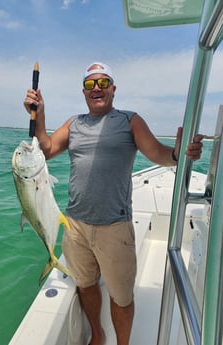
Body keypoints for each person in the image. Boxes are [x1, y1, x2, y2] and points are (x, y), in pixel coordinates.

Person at [24, 62, 203, 345]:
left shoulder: (130, 121)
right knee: (85, 285)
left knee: (121, 296)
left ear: (113, 89)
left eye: (103, 83)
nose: (96, 89)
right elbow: (45, 151)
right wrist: (40, 113)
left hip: (114, 227)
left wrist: (179, 154)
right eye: (90, 84)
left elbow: (158, 153)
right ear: (83, 92)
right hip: (75, 225)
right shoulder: (74, 123)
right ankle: (97, 333)